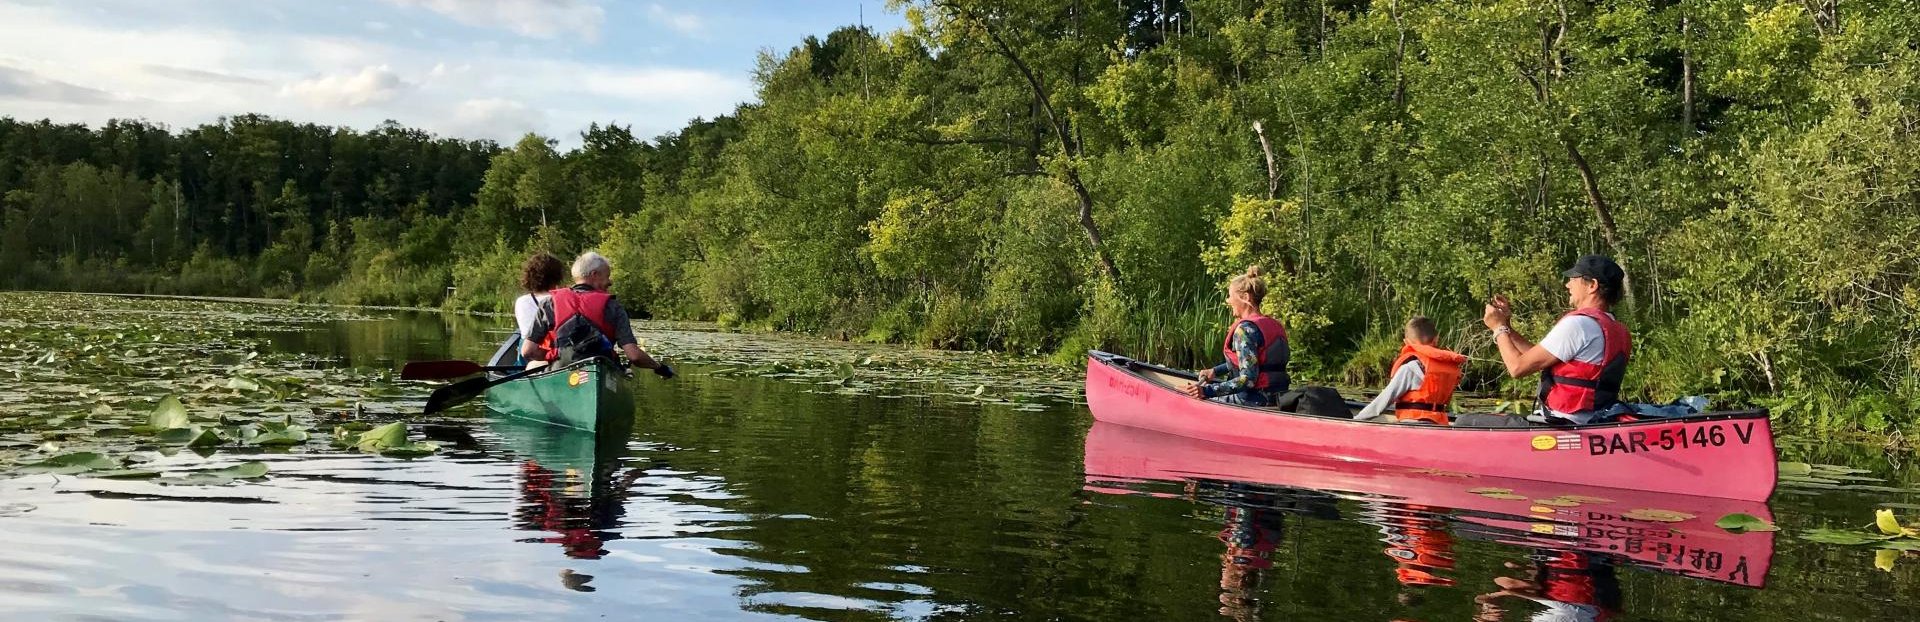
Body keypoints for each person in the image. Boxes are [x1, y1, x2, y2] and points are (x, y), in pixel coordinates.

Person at [1469, 255, 1630, 427]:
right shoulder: (1618, 329)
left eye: (1573, 280)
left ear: (1592, 285)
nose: (1567, 285)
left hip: (1562, 423)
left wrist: (1498, 328)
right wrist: (1507, 325)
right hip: (1593, 421)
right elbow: (1538, 358)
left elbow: (1516, 368)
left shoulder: (1579, 325)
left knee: (1466, 421)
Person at [523, 251, 674, 378]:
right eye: (607, 276)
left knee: (531, 365)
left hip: (561, 372)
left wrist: (556, 356)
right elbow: (634, 356)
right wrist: (659, 367)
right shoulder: (613, 306)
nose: (610, 282)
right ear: (594, 275)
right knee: (625, 372)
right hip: (601, 372)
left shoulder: (549, 303)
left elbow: (528, 351)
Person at [1184, 266, 1290, 406]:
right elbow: (1251, 361)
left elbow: (1248, 380)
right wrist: (1215, 371)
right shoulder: (1275, 324)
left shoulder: (1245, 330)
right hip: (1277, 398)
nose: (1228, 301)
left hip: (1252, 399)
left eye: (1230, 296)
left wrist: (1206, 391)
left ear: (1245, 297)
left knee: (1189, 399)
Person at [1354, 317, 1468, 424]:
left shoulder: (1411, 367)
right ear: (1436, 339)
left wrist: (1356, 420)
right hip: (1440, 424)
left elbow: (1383, 400)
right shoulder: (1449, 367)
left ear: (1406, 342)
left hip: (1413, 424)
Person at [513, 253, 567, 369]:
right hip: (556, 352)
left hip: (529, 354)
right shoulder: (562, 299)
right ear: (557, 276)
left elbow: (527, 334)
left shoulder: (522, 302)